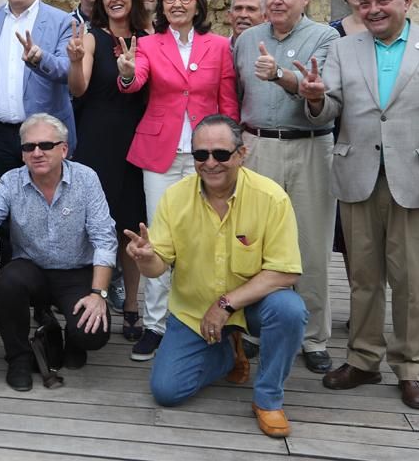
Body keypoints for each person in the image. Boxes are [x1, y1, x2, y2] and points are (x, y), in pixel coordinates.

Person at [303, 0, 419, 410]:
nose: (373, 9)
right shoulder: (343, 47)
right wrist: (316, 97)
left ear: (406, 1)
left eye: (383, 1)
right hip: (357, 177)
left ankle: (411, 366)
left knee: (413, 282)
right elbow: (329, 111)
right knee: (363, 280)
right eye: (364, 3)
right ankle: (362, 359)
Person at [128, 115, 307, 438]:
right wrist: (145, 258)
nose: (210, 163)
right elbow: (158, 266)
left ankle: (268, 399)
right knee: (167, 391)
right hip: (194, 309)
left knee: (289, 310)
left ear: (241, 154)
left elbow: (284, 271)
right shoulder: (175, 197)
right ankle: (228, 353)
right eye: (201, 155)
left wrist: (226, 304)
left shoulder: (271, 197)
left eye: (221, 154)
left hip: (252, 305)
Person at [0, 114, 116, 391]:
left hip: (76, 271)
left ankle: (71, 338)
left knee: (93, 333)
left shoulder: (86, 179)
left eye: (45, 145)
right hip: (31, 269)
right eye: (29, 147)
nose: (37, 152)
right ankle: (18, 357)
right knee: (8, 281)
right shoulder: (11, 181)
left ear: (64, 149)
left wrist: (99, 294)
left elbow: (105, 239)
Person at [119, 0, 239, 362]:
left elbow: (227, 101)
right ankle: (155, 324)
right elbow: (135, 82)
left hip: (207, 156)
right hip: (161, 153)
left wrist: (231, 147)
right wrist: (124, 71)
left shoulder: (219, 46)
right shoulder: (149, 44)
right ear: (161, 5)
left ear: (199, 4)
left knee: (206, 236)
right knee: (157, 236)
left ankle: (198, 318)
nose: (176, 4)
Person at [233, 0, 339, 373]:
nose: (277, 1)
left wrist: (285, 79)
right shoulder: (247, 40)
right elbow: (237, 93)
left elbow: (321, 93)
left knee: (311, 245)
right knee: (255, 244)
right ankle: (259, 329)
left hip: (310, 146)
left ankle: (313, 338)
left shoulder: (325, 37)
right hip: (258, 146)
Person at [0, 0, 74, 268]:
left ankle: (48, 294)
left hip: (42, 138)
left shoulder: (61, 21)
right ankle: (11, 287)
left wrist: (38, 58)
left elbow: (66, 69)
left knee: (47, 213)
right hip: (0, 136)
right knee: (7, 216)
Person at [68, 0, 149, 342]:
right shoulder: (91, 38)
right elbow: (79, 87)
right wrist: (73, 60)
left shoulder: (151, 40)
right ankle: (90, 296)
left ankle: (132, 304)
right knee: (94, 224)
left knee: (131, 226)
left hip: (138, 138)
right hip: (98, 136)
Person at [326, 0, 375, 278]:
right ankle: (359, 300)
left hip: (376, 132)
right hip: (340, 133)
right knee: (346, 228)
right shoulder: (331, 33)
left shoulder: (389, 29)